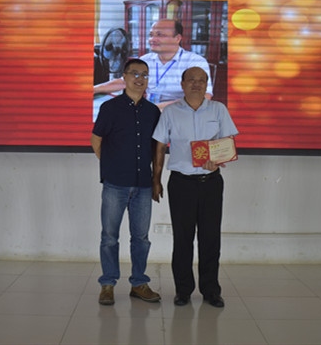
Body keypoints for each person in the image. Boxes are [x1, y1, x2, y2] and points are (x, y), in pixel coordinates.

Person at [152, 66, 238, 308]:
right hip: (181, 183)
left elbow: (228, 143)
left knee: (210, 238)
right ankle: (183, 290)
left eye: (202, 80)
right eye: (191, 80)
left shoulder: (218, 109)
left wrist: (218, 159)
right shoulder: (170, 112)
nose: (196, 84)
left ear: (207, 83)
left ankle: (211, 290)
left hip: (211, 183)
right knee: (183, 239)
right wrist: (156, 180)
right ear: (182, 84)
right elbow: (160, 146)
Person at [91, 58, 162, 306]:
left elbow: (157, 147)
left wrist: (156, 179)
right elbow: (96, 140)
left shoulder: (153, 111)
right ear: (124, 76)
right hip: (115, 184)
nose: (140, 79)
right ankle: (108, 284)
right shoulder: (110, 108)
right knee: (109, 237)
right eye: (135, 73)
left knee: (141, 238)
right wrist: (112, 165)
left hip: (143, 185)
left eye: (144, 74)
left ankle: (139, 283)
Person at [94, 19, 213, 110]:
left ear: (177, 38)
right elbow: (124, 82)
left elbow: (203, 97)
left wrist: (156, 108)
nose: (152, 39)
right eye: (151, 35)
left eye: (159, 35)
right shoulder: (146, 59)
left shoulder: (194, 62)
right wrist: (94, 89)